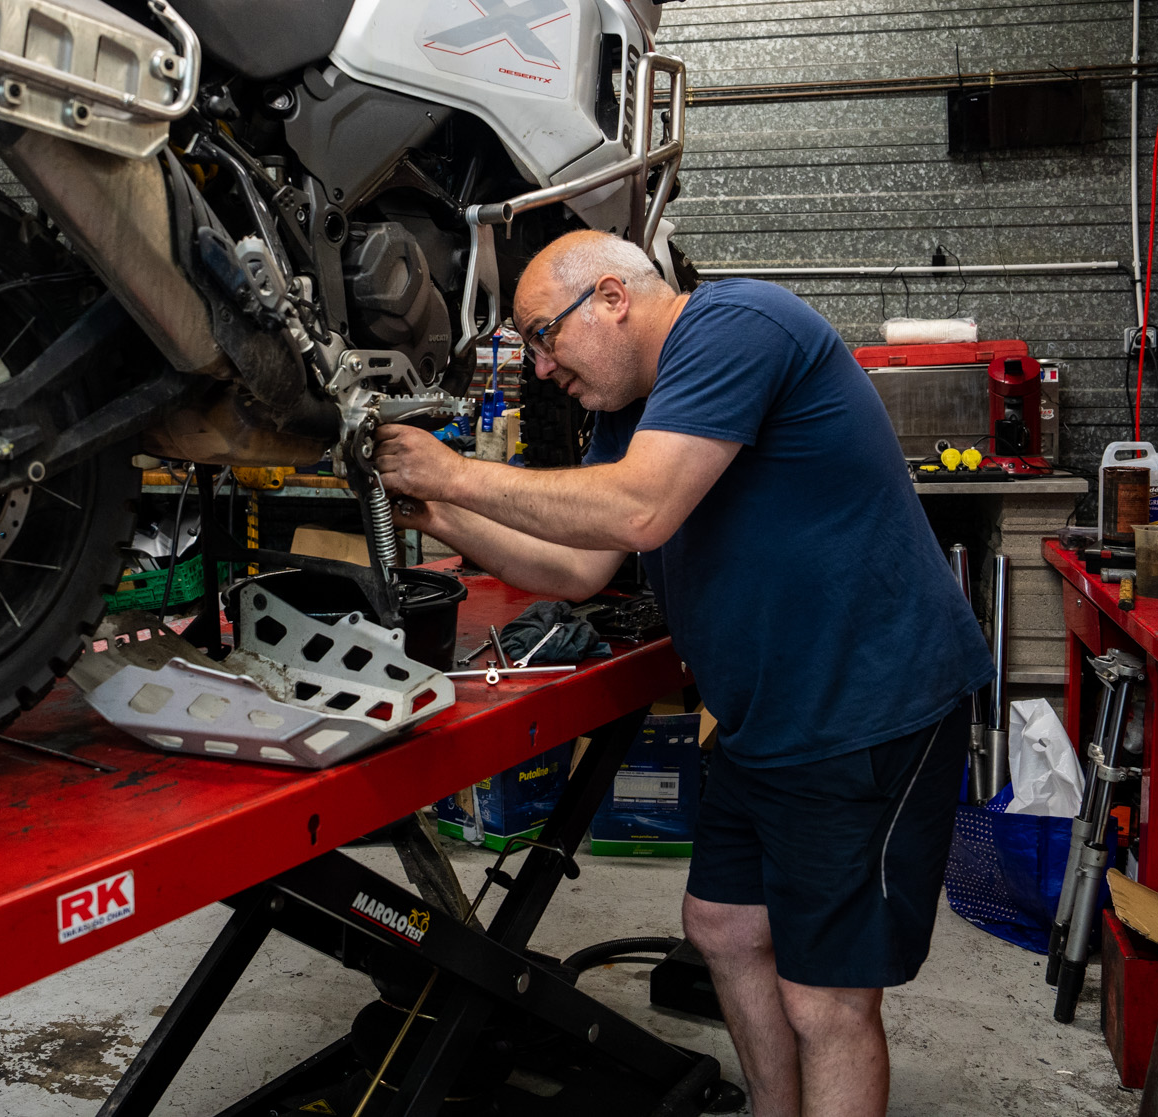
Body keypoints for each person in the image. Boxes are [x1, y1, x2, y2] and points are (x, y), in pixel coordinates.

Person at [374, 231, 990, 1117]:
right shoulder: (630, 409)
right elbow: (579, 566)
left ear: (612, 297)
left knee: (826, 998)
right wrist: (437, 510)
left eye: (544, 336)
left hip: (865, 710)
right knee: (725, 927)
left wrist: (460, 473)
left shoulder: (738, 325)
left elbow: (642, 508)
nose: (541, 367)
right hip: (767, 717)